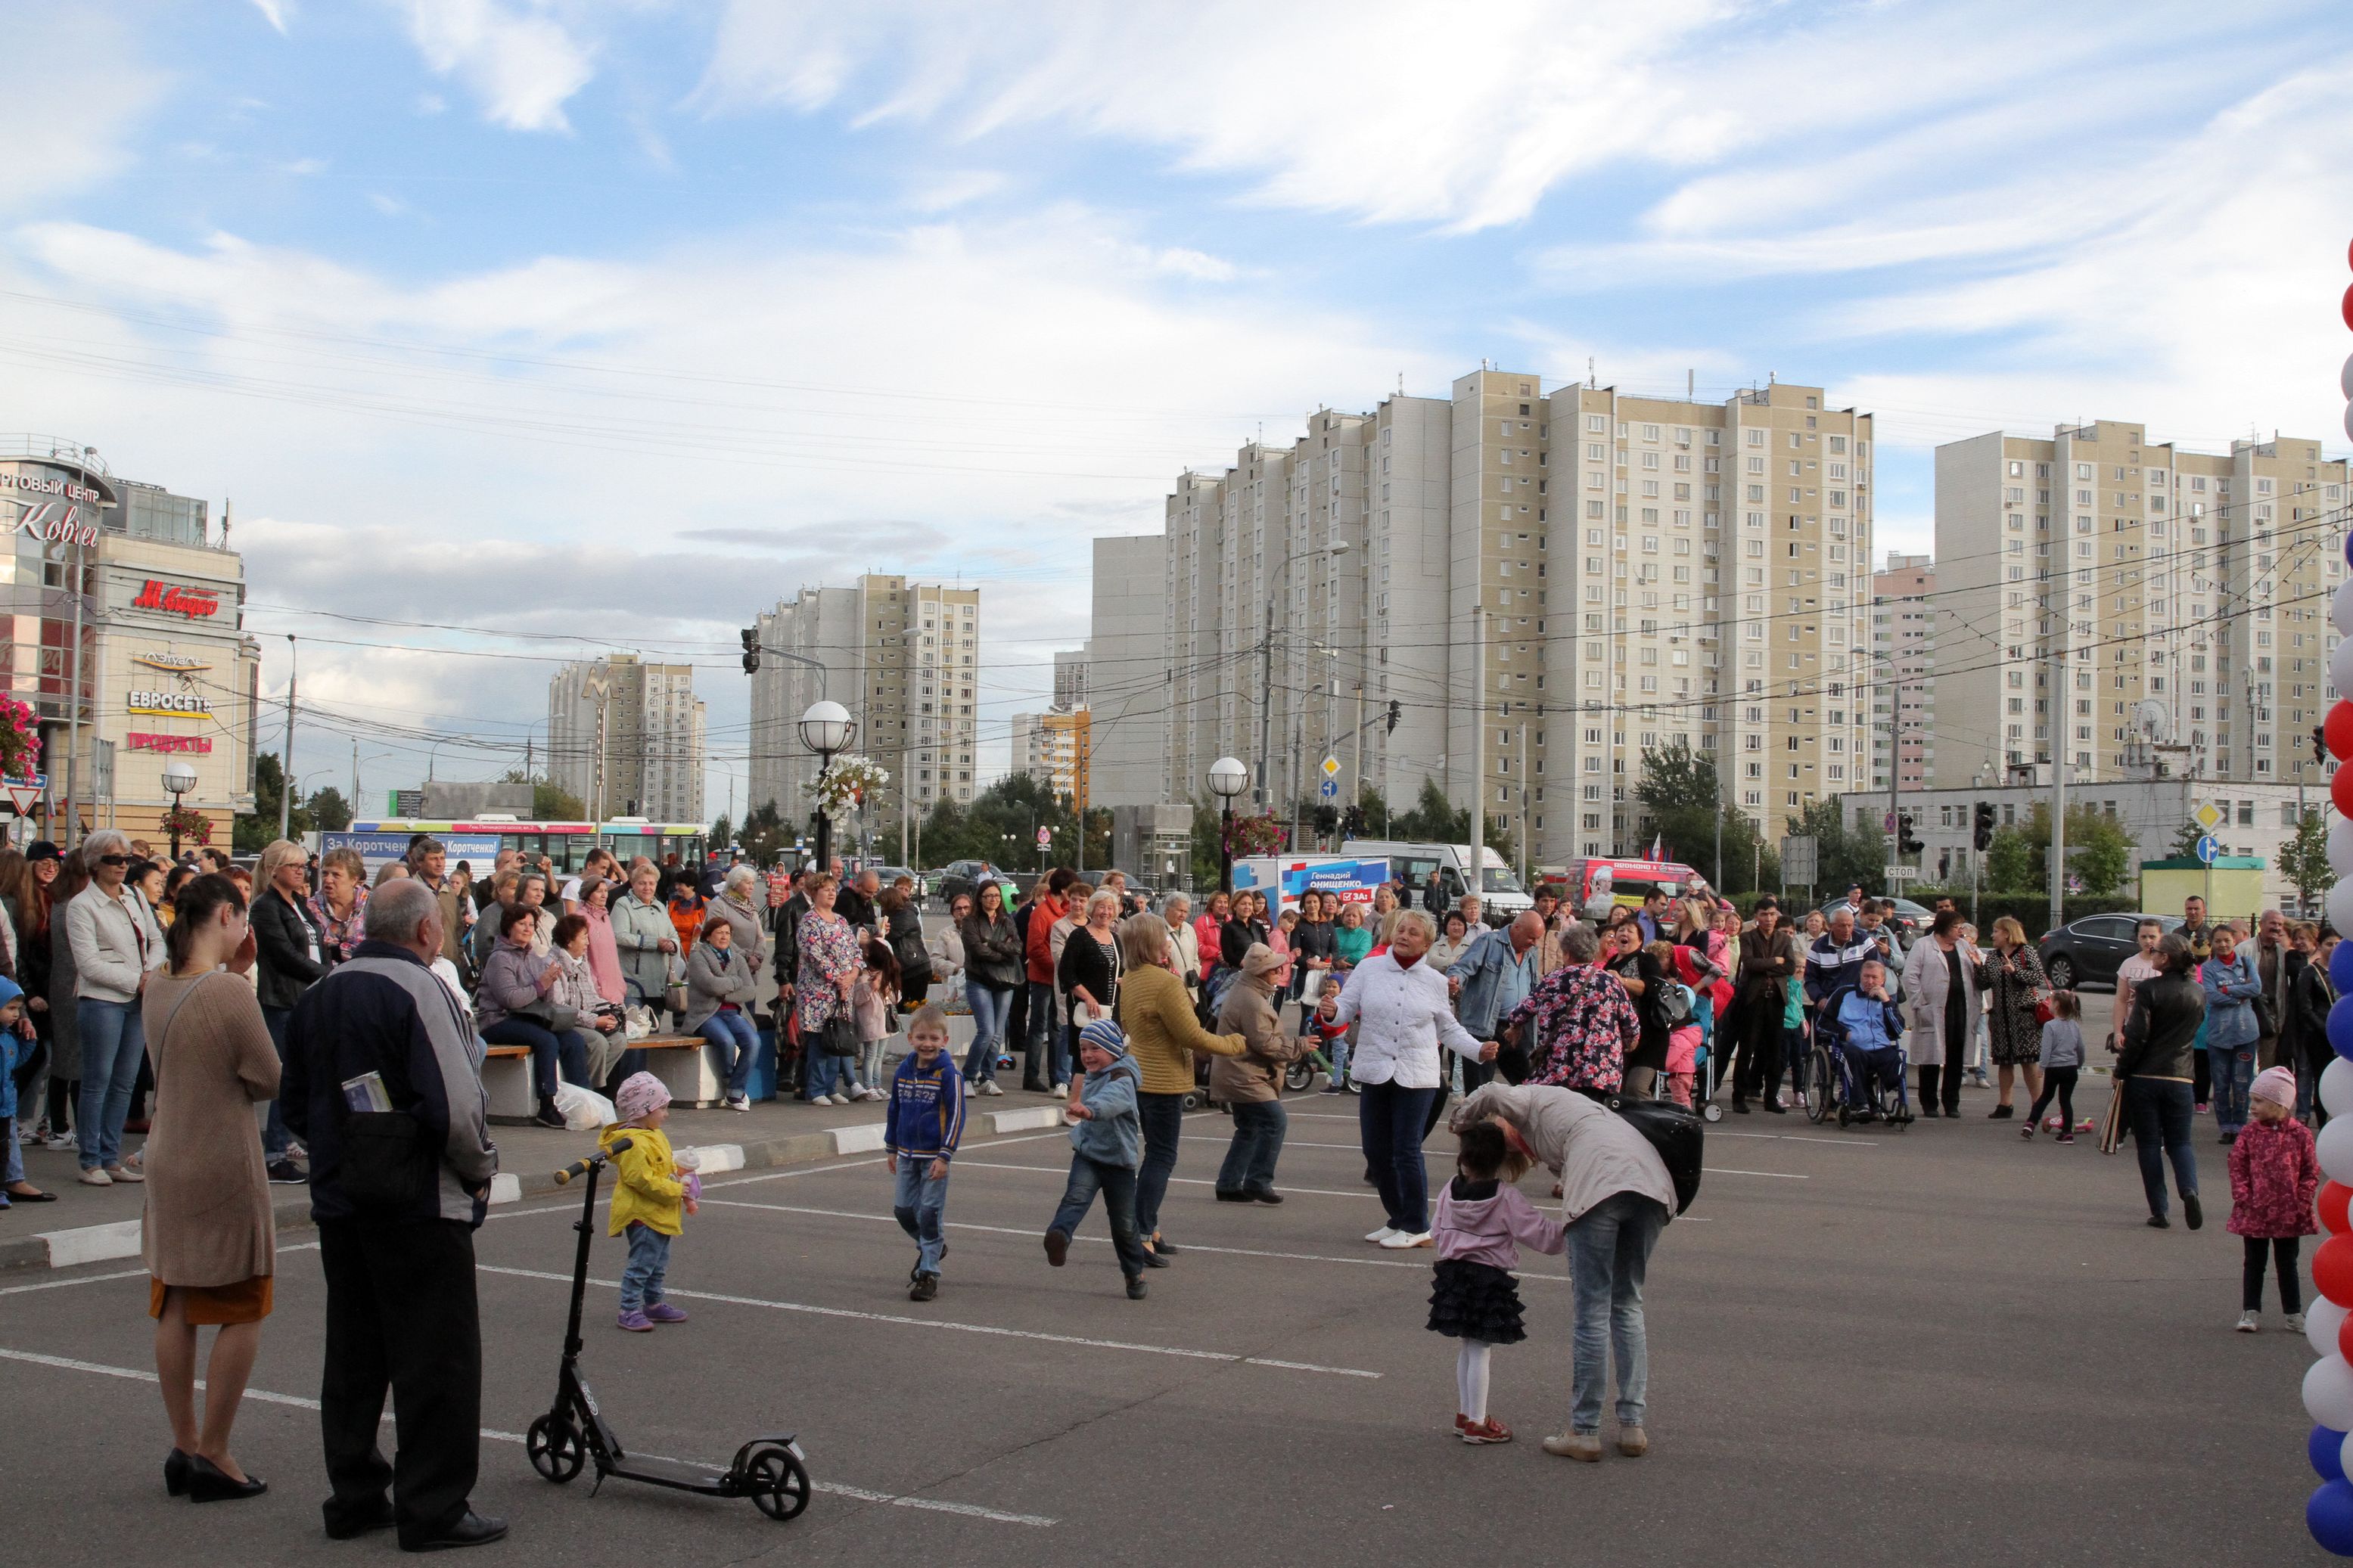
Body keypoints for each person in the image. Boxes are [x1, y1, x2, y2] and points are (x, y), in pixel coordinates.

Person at [281, 877, 505, 1551]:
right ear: (427, 932)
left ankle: (354, 1493)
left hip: (340, 1198)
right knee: (436, 1358)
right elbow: (458, 1102)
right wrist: (480, 1170)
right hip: (417, 1199)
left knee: (354, 1353)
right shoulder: (421, 988)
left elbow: (292, 1101)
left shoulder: (321, 993)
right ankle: (432, 1506)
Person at [1450, 1079, 1677, 1461]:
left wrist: (1460, 1119)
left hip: (1602, 1188)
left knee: (1592, 1312)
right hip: (1653, 1187)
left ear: (1505, 1122)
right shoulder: (1576, 1110)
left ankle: (1585, 1430)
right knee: (1627, 1305)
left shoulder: (1526, 1100)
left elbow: (1490, 1088)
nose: (1514, 1147)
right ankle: (1632, 1426)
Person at [138, 875, 273, 1501]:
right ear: (226, 914)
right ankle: (216, 1452)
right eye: (242, 920)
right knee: (244, 1302)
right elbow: (267, 1075)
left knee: (176, 1299)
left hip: (167, 1154)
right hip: (221, 1161)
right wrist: (244, 977)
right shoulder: (227, 991)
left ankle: (184, 1443)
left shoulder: (156, 984)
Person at [1323, 909, 1496, 1250]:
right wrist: (1332, 1011)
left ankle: (1417, 1225)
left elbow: (1448, 1027)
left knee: (1405, 1149)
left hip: (1417, 1075)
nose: (1404, 935)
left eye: (1413, 932)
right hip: (1375, 1070)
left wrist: (1478, 1050)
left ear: (1428, 943)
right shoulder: (1369, 969)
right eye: (1400, 930)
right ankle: (1397, 1218)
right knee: (1375, 1152)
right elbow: (1344, 1006)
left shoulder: (1434, 980)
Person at [1114, 912, 1246, 1264]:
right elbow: (1191, 1034)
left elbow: (1128, 1023)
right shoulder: (1164, 982)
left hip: (1142, 1074)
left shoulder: (1132, 976)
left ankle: (1149, 1229)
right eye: (1162, 938)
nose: (1167, 944)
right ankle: (1141, 1234)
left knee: (1155, 1154)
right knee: (1161, 1157)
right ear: (1150, 943)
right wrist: (1235, 1044)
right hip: (1164, 1079)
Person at [1429, 1119, 1565, 1445]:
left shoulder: (1450, 1188)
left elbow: (1436, 1230)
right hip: (1487, 1277)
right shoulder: (1505, 1198)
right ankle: (1477, 1422)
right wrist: (1574, 1225)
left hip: (1452, 1274)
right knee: (1480, 1350)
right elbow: (1543, 1236)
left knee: (1467, 1345)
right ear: (1502, 1159)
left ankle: (1466, 1414)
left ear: (1463, 1157)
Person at [67, 827, 166, 1185]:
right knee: (98, 1081)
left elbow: (157, 940)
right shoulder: (82, 906)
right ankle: (90, 1160)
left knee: (125, 1082)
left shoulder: (135, 897)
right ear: (95, 863)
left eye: (127, 859)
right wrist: (136, 980)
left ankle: (110, 1157)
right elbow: (88, 963)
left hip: (138, 999)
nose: (122, 865)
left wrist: (150, 974)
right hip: (101, 1002)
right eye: (114, 859)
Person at [1043, 1017, 1150, 1299]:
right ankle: (1059, 1237)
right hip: (1088, 1154)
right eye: (1083, 1049)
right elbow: (1080, 1085)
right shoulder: (1096, 1072)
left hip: (1119, 1162)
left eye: (1095, 1049)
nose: (1088, 1055)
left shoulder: (1122, 1076)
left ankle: (1134, 1272)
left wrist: (1089, 1110)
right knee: (1075, 1198)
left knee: (1125, 1224)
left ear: (1113, 1050)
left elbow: (1113, 1100)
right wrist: (1077, 1105)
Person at [2117, 932, 2206, 1230]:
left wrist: (2122, 1069)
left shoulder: (2148, 989)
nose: (2151, 953)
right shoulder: (2198, 992)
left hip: (2146, 1075)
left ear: (2165, 958)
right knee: (2180, 1142)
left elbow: (2137, 1036)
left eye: (2155, 951)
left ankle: (2160, 1210)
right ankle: (2190, 1190)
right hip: (2182, 1076)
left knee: (2149, 1144)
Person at [249, 839, 325, 1186]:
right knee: (285, 1076)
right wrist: (327, 974)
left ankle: (297, 1138)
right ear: (273, 869)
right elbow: (282, 954)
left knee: (305, 1074)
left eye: (303, 866)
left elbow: (314, 944)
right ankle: (274, 1154)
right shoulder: (265, 907)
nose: (301, 870)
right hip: (282, 998)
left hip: (307, 996)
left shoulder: (298, 904)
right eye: (293, 866)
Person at [475, 903, 589, 1129]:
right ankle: (546, 1105)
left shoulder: (533, 956)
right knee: (546, 1040)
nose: (528, 929)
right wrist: (542, 983)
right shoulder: (500, 959)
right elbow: (511, 999)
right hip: (498, 1020)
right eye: (522, 924)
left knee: (572, 1038)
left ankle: (583, 1100)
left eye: (531, 925)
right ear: (508, 927)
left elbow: (542, 998)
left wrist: (550, 981)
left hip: (527, 1017)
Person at [1211, 943, 1310, 1204]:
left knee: (1249, 1128)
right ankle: (1257, 1181)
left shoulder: (1248, 992)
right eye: (1273, 968)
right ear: (1260, 972)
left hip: (1239, 1071)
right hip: (1244, 1073)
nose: (1279, 970)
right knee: (1274, 1122)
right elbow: (1264, 1043)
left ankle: (1229, 1184)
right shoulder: (1252, 1000)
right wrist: (1300, 1045)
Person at [603, 1072, 698, 1331]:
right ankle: (629, 1308)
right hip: (642, 1215)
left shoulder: (653, 1134)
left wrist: (678, 1172)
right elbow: (641, 1179)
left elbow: (658, 1168)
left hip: (658, 1213)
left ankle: (653, 1303)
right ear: (643, 1111)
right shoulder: (634, 1143)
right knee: (642, 1264)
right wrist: (675, 1189)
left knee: (657, 1263)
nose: (666, 1114)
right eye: (662, 1108)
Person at [884, 1004, 964, 1302]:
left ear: (944, 1040)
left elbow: (956, 1115)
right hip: (906, 1153)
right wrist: (891, 1148)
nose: (927, 1044)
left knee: (930, 1212)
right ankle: (933, 1245)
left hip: (934, 1157)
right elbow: (895, 1110)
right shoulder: (903, 1070)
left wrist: (945, 1155)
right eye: (921, 1038)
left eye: (933, 1038)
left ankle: (928, 1272)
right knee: (903, 1210)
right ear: (910, 1039)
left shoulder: (949, 1073)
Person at [1504, 923, 1640, 1098]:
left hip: (1560, 1071)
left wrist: (1515, 1027)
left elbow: (1522, 1011)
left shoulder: (1553, 980)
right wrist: (1630, 1041)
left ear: (1567, 953)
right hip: (1601, 1072)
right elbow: (1631, 1025)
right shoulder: (1611, 982)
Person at [2230, 1066, 2318, 1332]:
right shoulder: (2249, 1134)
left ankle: (2293, 1312)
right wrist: (2244, 1196)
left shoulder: (2300, 1135)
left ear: (2280, 1103)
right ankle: (2250, 1311)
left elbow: (2310, 1171)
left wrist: (2302, 1200)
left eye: (2259, 1101)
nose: (2252, 1107)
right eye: (2252, 1100)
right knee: (2254, 1262)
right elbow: (2237, 1165)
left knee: (2287, 1263)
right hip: (2255, 1210)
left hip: (2289, 1211)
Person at [1450, 912, 1549, 1092]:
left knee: (1529, 1087)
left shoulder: (1531, 952)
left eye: (1537, 939)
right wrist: (1455, 980)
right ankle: (1476, 1120)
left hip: (1516, 1029)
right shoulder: (1489, 942)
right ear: (1517, 928)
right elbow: (1462, 967)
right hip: (1485, 1028)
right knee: (1480, 1091)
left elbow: (1534, 985)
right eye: (1531, 938)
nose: (1534, 943)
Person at [1899, 908, 1982, 1119]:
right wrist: (1920, 1002)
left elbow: (1982, 968)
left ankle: (1952, 1102)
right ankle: (1929, 1103)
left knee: (1956, 1055)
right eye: (1956, 927)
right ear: (1944, 927)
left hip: (1960, 1007)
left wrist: (1977, 960)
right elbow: (1910, 976)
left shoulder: (1964, 946)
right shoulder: (1924, 945)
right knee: (1931, 1057)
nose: (1960, 931)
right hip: (1933, 1008)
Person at [1727, 902, 1800, 1115]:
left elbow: (1789, 967)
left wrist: (1767, 964)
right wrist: (1774, 961)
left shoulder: (1784, 939)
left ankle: (1771, 1097)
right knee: (1747, 1048)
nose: (1768, 919)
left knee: (1774, 1051)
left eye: (1771, 914)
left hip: (1776, 999)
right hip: (1753, 999)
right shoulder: (1747, 937)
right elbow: (1750, 964)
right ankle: (1738, 1097)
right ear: (1756, 916)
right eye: (1763, 914)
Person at [1814, 957, 1906, 1122]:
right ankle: (1861, 1103)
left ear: (1883, 980)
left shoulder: (1888, 1000)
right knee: (1853, 1055)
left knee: (1897, 1065)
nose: (1869, 981)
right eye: (1866, 976)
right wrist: (1844, 1033)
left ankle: (1887, 1102)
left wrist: (1886, 1002)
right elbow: (1823, 1023)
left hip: (1881, 1047)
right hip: (1853, 1046)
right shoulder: (1843, 994)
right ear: (1860, 976)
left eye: (1874, 977)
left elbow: (1898, 1030)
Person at [797, 874, 863, 1106]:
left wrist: (853, 974)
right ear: (815, 893)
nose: (831, 893)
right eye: (826, 890)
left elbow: (856, 952)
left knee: (838, 1038)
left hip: (843, 992)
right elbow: (814, 955)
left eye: (834, 889)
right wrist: (838, 980)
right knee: (819, 1041)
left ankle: (831, 1086)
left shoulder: (841, 920)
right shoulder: (810, 920)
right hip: (819, 992)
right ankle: (815, 1090)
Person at [683, 915, 759, 1112]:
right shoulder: (699, 956)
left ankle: (735, 1090)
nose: (724, 937)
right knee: (725, 1040)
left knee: (753, 1041)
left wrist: (724, 993)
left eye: (727, 933)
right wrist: (735, 982)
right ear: (708, 936)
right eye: (719, 933)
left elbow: (750, 991)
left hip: (733, 1013)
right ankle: (730, 1079)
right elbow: (711, 985)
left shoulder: (738, 958)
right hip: (706, 1014)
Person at [1978, 916, 2048, 1121]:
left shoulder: (2027, 952)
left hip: (2024, 1016)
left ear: (2007, 933)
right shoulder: (1992, 957)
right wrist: (1978, 967)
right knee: (2004, 1062)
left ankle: (2038, 1104)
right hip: (2001, 1017)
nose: (1992, 935)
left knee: (2029, 1062)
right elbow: (1983, 983)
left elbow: (2038, 978)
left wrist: (2015, 972)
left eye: (1996, 931)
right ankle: (2005, 1104)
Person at [548, 913, 626, 1090]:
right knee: (597, 1042)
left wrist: (611, 1009)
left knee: (619, 1040)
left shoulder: (582, 962)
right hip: (563, 1024)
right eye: (584, 938)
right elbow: (559, 1008)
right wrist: (595, 1021)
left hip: (584, 1020)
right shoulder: (552, 965)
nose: (588, 943)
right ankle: (588, 1091)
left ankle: (588, 1088)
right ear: (569, 941)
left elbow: (591, 996)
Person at [1057, 890, 1124, 1094]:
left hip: (1111, 1009)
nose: (1105, 912)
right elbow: (1066, 974)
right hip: (1087, 1008)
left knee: (1109, 1057)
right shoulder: (1079, 936)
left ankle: (1099, 1103)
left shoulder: (1115, 938)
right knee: (1084, 1060)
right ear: (1092, 910)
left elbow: (1121, 970)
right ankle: (1076, 1106)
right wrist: (1088, 997)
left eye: (1110, 908)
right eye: (1101, 907)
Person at [959, 882, 1020, 1098]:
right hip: (979, 980)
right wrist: (1003, 953)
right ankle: (967, 1076)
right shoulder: (971, 921)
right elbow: (976, 951)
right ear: (980, 898)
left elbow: (1017, 948)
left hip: (1004, 982)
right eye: (988, 896)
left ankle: (988, 1078)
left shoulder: (1006, 919)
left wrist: (992, 944)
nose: (993, 899)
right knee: (986, 1031)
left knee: (997, 1035)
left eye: (996, 896)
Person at [2202, 924, 2262, 1143]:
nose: (2223, 944)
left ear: (2234, 941)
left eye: (2227, 940)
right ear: (2213, 943)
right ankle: (2225, 1127)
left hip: (2246, 1033)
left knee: (2242, 1083)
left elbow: (2256, 989)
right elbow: (2211, 996)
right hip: (2219, 1035)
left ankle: (2240, 1127)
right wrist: (2240, 995)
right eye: (2218, 941)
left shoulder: (2247, 963)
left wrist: (2227, 990)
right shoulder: (2209, 968)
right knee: (2220, 1084)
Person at [1024, 868, 1076, 1088]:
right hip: (1043, 979)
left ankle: (1057, 1076)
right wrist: (1058, 968)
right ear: (1064, 891)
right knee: (1039, 1026)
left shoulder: (1064, 912)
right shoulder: (1042, 912)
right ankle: (1031, 1075)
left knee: (1058, 1026)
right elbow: (1035, 948)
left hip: (1057, 978)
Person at [611, 863, 678, 1019]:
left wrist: (672, 944)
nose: (647, 887)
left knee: (655, 1031)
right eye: (642, 883)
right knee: (635, 1030)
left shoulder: (660, 907)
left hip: (659, 983)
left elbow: (673, 934)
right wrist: (654, 943)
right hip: (633, 983)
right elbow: (618, 936)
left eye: (651, 883)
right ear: (633, 884)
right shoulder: (623, 905)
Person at [2022, 989, 2084, 1141]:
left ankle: (2031, 1123)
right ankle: (2067, 1132)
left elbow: (2046, 1049)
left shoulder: (2050, 1026)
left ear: (2056, 1005)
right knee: (2065, 1100)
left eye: (2051, 1001)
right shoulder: (2075, 1026)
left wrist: (2041, 1067)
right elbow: (2080, 1047)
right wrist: (2079, 1063)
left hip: (2054, 1067)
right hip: (2070, 1068)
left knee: (2045, 1096)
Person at [2295, 928, 2339, 1124]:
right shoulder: (2309, 972)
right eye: (2329, 944)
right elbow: (2305, 1008)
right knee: (2322, 1079)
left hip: (2343, 1036)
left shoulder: (2345, 971)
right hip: (2318, 1036)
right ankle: (2323, 1123)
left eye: (2338, 944)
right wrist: (2325, 1029)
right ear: (2320, 945)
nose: (2334, 948)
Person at [849, 936, 900, 1102]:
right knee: (870, 1055)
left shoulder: (884, 977)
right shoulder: (863, 978)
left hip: (885, 1023)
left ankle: (877, 1084)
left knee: (879, 1056)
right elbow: (857, 1000)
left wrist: (886, 988)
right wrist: (870, 988)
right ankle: (869, 1085)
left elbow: (896, 998)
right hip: (870, 1023)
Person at [308, 847, 369, 970]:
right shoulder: (309, 908)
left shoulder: (373, 905)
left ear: (354, 880)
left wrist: (335, 949)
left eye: (336, 875)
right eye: (325, 873)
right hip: (323, 980)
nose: (328, 880)